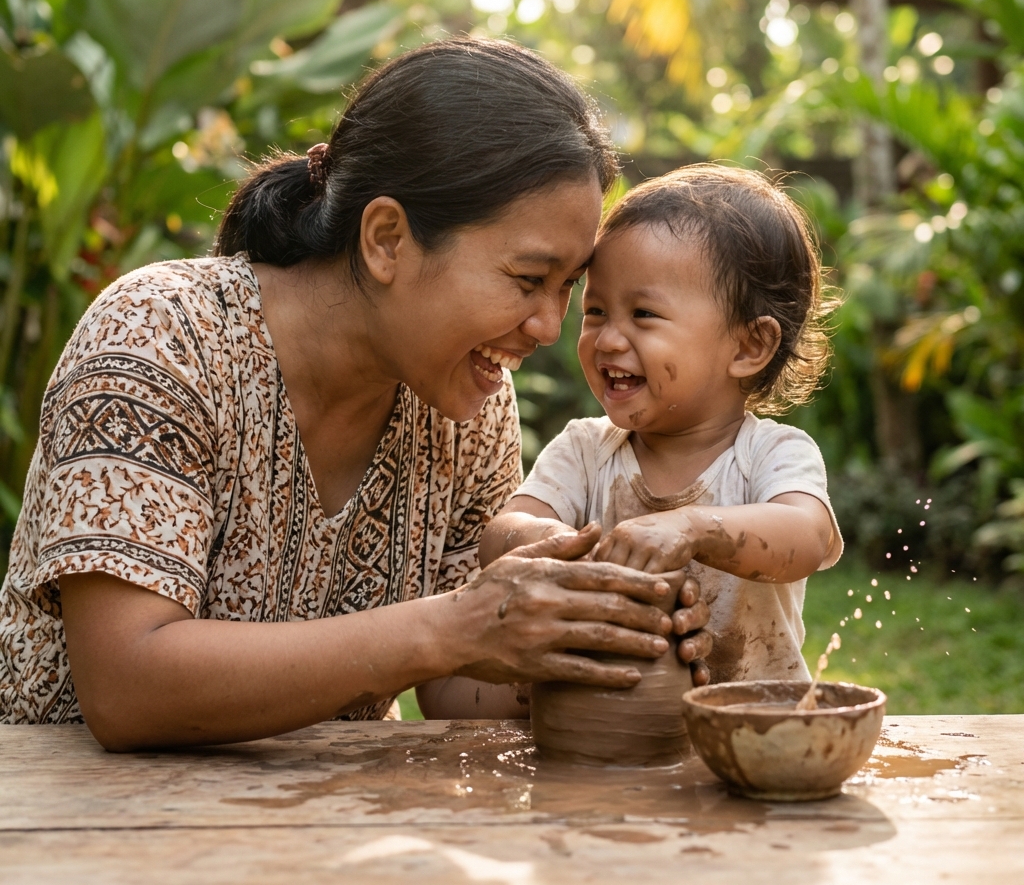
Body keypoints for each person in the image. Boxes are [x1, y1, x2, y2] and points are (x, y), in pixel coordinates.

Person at [0, 39, 711, 748]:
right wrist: (457, 623)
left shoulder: (468, 403)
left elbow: (456, 689)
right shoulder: (161, 339)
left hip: (315, 833)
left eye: (567, 289)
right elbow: (126, 688)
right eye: (528, 279)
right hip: (73, 833)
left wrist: (587, 629)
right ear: (386, 239)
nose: (550, 327)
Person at [480, 164, 842, 683]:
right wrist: (572, 551)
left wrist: (692, 528)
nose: (607, 340)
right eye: (597, 311)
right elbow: (501, 535)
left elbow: (805, 539)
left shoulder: (771, 454)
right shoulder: (585, 451)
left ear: (748, 345)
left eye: (644, 314)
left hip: (754, 733)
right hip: (610, 735)